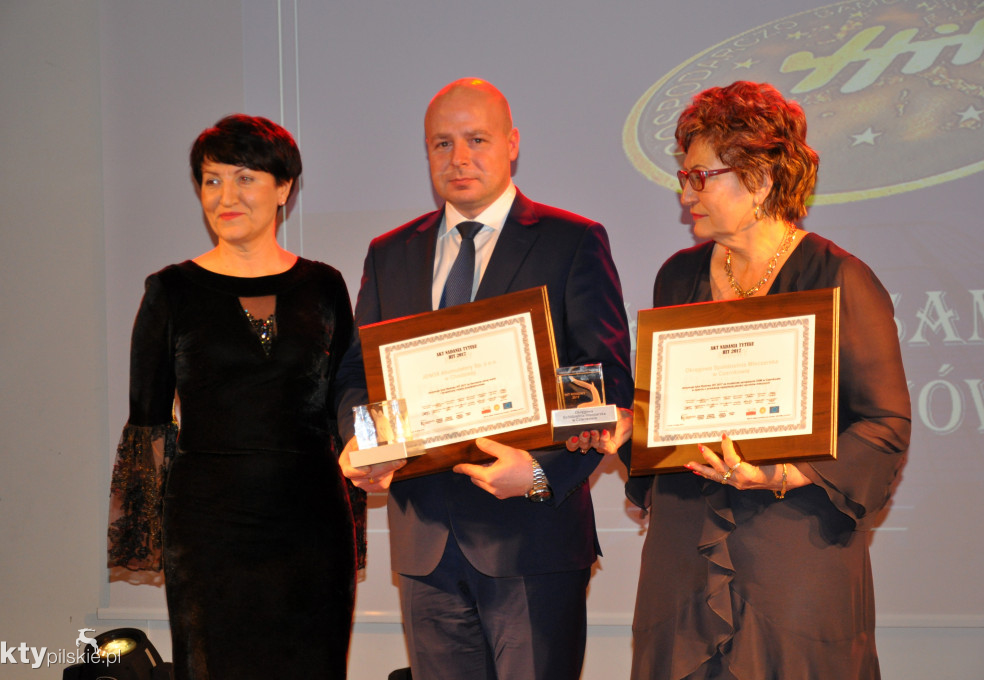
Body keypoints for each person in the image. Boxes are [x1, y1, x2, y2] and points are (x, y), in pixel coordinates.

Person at [577, 81, 911, 679]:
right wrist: (629, 432)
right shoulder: (677, 278)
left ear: (759, 179)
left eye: (700, 177)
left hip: (791, 561)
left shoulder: (838, 277)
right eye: (684, 177)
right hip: (684, 559)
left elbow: (884, 426)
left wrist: (782, 473)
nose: (686, 194)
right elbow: (675, 426)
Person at [333, 78, 633, 680]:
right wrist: (365, 442)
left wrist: (544, 472)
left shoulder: (571, 241)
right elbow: (357, 375)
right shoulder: (390, 253)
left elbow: (601, 382)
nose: (459, 158)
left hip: (534, 536)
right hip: (425, 541)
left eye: (477, 140)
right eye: (442, 144)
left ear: (512, 144)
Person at [106, 114, 359, 678]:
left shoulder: (325, 286)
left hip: (313, 525)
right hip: (208, 531)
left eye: (245, 178)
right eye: (212, 179)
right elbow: (148, 424)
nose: (226, 196)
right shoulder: (170, 291)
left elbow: (346, 405)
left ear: (283, 188)